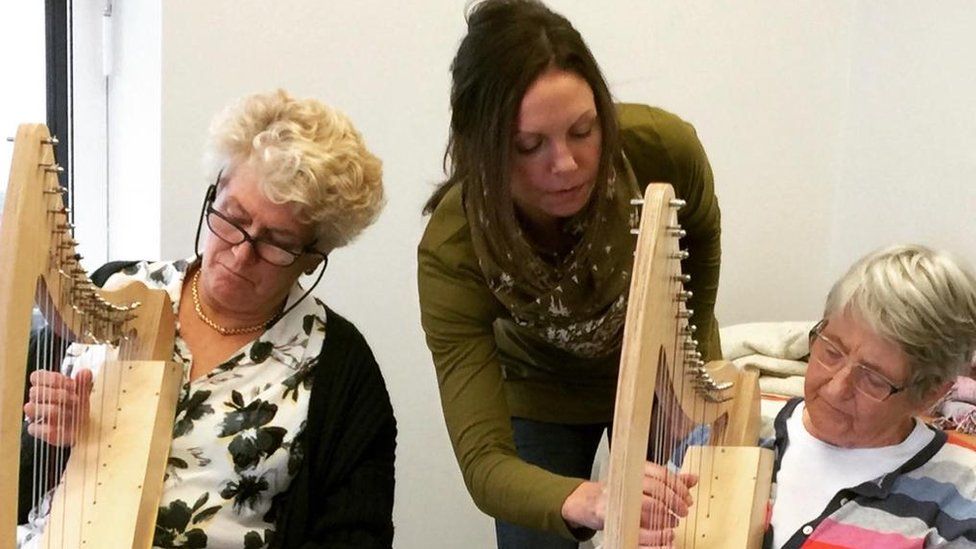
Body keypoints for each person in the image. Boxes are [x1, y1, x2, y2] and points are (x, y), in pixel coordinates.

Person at [20, 89, 396, 548]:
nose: (241, 253)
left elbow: (357, 538)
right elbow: (21, 475)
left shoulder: (339, 366)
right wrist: (54, 435)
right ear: (213, 192)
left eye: (276, 241)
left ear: (313, 258)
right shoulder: (111, 293)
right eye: (233, 217)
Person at [417, 0, 721, 546]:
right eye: (529, 146)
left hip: (655, 365)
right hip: (538, 389)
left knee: (691, 531)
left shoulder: (662, 149)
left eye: (583, 130)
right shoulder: (455, 247)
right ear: (480, 148)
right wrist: (591, 499)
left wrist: (689, 370)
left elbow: (698, 237)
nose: (566, 165)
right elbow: (486, 465)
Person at [766, 244, 976, 548]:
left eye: (873, 379)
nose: (836, 388)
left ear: (930, 394)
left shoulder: (962, 499)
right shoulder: (738, 427)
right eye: (832, 351)